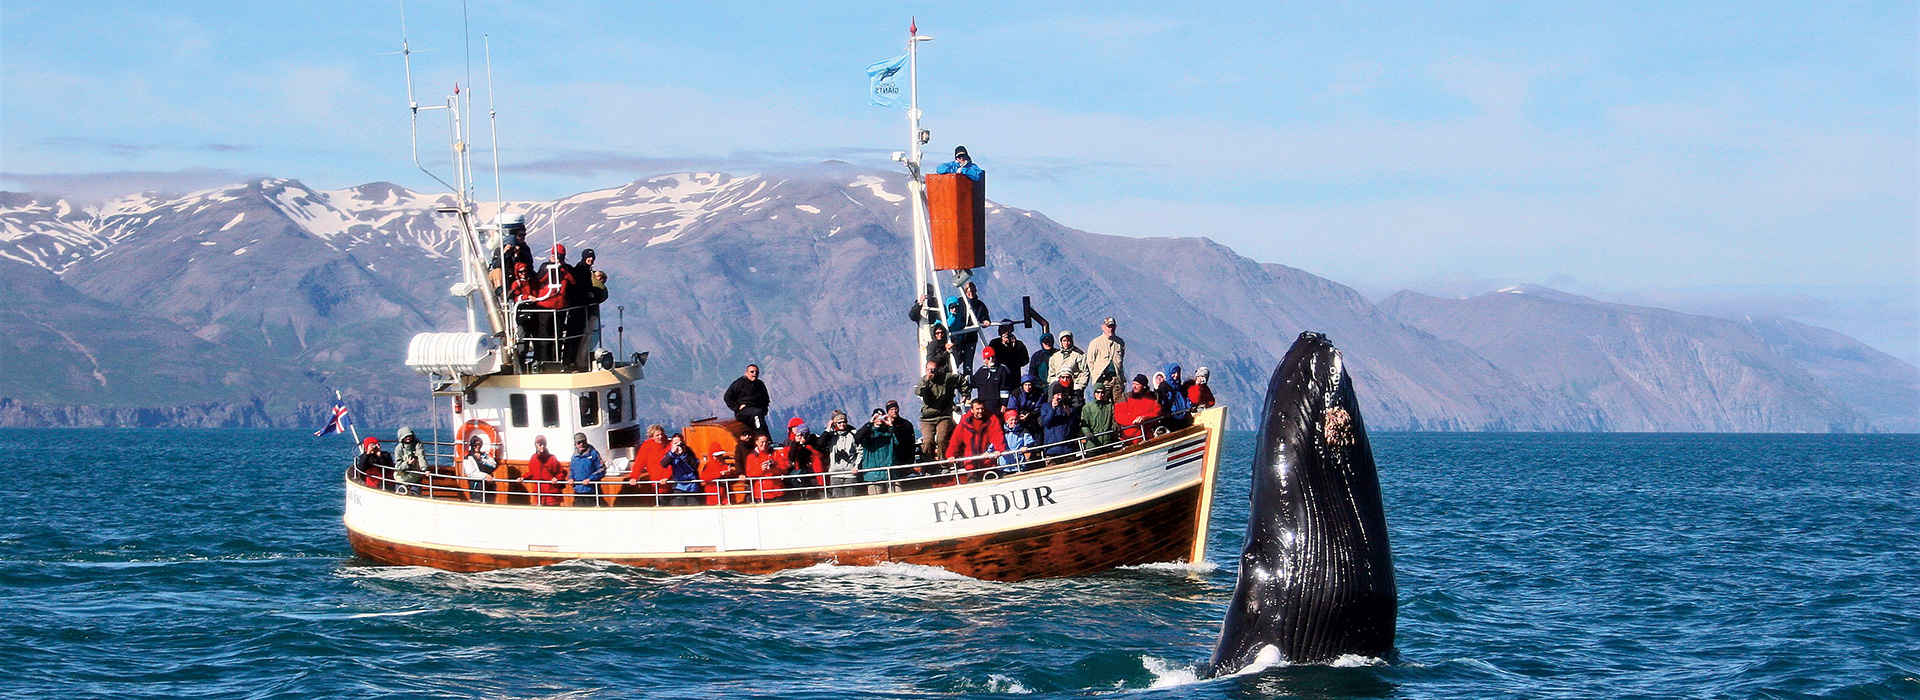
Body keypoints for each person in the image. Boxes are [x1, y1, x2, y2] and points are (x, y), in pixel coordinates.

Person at [915, 359, 967, 470]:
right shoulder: (924, 381)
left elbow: (961, 379)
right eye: (929, 369)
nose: (931, 372)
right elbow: (919, 391)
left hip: (944, 415)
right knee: (928, 441)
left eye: (933, 369)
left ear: (938, 369)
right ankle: (929, 466)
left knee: (942, 438)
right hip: (928, 417)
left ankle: (944, 464)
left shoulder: (947, 378)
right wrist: (927, 381)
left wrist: (965, 393)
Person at [944, 398, 1007, 484]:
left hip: (987, 461)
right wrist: (951, 454)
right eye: (977, 409)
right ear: (972, 410)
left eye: (982, 408)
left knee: (993, 484)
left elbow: (997, 435)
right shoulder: (965, 421)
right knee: (972, 483)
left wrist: (999, 449)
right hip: (970, 462)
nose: (980, 411)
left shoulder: (992, 419)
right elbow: (956, 439)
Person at [854, 408, 900, 495]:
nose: (880, 419)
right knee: (876, 502)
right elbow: (857, 438)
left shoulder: (889, 433)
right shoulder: (868, 433)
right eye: (877, 417)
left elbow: (899, 442)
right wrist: (870, 423)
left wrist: (891, 425)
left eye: (882, 417)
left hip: (890, 473)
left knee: (898, 498)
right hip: (873, 474)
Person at [1113, 375, 1165, 444]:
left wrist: (1144, 418)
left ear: (1144, 386)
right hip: (1129, 438)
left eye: (1137, 384)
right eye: (1133, 384)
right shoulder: (1125, 397)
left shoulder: (1153, 397)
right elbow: (1119, 415)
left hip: (1147, 437)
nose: (1134, 386)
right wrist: (1135, 420)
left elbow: (1157, 412)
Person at [782, 417, 825, 500]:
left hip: (811, 471)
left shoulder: (812, 439)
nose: (797, 429)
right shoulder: (788, 442)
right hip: (795, 472)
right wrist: (796, 443)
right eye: (794, 427)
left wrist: (807, 444)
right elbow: (791, 457)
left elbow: (819, 451)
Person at [822, 410, 861, 498]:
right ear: (835, 423)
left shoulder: (853, 434)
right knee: (838, 501)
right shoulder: (831, 436)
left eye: (844, 422)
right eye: (839, 422)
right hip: (835, 474)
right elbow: (820, 443)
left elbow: (860, 451)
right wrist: (828, 428)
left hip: (850, 474)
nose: (842, 424)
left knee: (851, 499)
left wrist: (856, 466)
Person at [629, 425, 671, 505]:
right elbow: (639, 462)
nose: (660, 437)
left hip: (668, 481)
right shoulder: (647, 446)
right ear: (652, 437)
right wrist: (634, 477)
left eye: (661, 434)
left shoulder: (669, 445)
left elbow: (672, 463)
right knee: (657, 502)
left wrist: (667, 476)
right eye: (657, 435)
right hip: (655, 482)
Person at [724, 364, 771, 435]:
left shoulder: (760, 384)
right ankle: (762, 435)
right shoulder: (739, 383)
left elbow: (766, 399)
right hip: (743, 412)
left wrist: (764, 410)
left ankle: (768, 441)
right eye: (752, 372)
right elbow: (727, 396)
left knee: (759, 416)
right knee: (757, 414)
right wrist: (737, 407)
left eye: (756, 372)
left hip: (757, 411)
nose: (754, 374)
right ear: (746, 373)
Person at [1086, 317, 1127, 397]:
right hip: (1103, 379)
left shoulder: (1120, 343)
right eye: (1108, 326)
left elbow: (1121, 359)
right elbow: (1090, 361)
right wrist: (1096, 376)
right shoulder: (1096, 343)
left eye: (1112, 326)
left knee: (1119, 405)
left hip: (1117, 379)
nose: (1110, 329)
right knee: (1103, 403)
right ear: (1103, 327)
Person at [970, 346, 1016, 416]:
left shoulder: (1002, 370)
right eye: (988, 358)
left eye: (993, 357)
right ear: (984, 359)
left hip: (996, 404)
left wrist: (1004, 404)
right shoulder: (981, 371)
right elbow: (973, 383)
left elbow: (1005, 388)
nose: (991, 360)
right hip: (983, 404)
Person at [743, 434, 787, 503]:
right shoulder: (751, 457)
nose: (764, 444)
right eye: (762, 442)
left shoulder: (775, 454)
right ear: (756, 442)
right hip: (761, 493)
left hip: (776, 490)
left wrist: (773, 467)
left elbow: (784, 468)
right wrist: (761, 469)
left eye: (766, 442)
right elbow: (749, 473)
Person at [661, 433, 703, 506]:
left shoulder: (689, 452)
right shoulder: (671, 454)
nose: (678, 446)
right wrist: (672, 454)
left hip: (692, 486)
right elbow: (663, 464)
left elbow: (694, 466)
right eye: (675, 443)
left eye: (680, 443)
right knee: (678, 506)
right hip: (679, 485)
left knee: (693, 507)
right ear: (672, 444)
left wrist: (684, 455)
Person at [524, 435, 566, 506]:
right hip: (540, 494)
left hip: (552, 494)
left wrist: (557, 478)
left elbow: (562, 472)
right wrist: (523, 477)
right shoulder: (534, 458)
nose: (542, 446)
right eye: (540, 444)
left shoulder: (552, 458)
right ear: (536, 445)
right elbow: (532, 472)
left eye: (544, 444)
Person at [884, 400, 918, 486]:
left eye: (895, 409)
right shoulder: (883, 426)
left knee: (904, 484)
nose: (894, 411)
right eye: (891, 409)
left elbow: (910, 443)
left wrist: (910, 460)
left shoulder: (906, 424)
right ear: (887, 411)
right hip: (889, 460)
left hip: (904, 458)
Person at [567, 432, 607, 506]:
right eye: (579, 442)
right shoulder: (574, 456)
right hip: (578, 490)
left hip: (591, 490)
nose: (581, 444)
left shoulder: (594, 453)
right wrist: (570, 478)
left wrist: (590, 479)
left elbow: (602, 469)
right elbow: (572, 470)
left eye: (583, 442)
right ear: (575, 444)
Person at [1038, 389, 1079, 459]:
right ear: (1053, 396)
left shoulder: (1068, 407)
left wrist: (1069, 414)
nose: (1060, 397)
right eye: (1057, 395)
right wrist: (1053, 409)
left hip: (1068, 448)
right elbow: (1045, 423)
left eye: (1061, 395)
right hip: (1052, 449)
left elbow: (1074, 426)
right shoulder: (1046, 407)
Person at [459, 435, 498, 503]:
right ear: (472, 445)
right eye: (475, 444)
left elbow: (493, 464)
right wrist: (485, 475)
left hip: (488, 486)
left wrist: (482, 460)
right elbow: (471, 474)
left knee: (490, 502)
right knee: (477, 501)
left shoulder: (484, 455)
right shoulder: (468, 458)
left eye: (479, 444)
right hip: (477, 486)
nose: (477, 446)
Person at [1080, 384, 1119, 449]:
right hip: (1092, 444)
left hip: (1107, 442)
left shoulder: (1109, 406)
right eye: (1098, 392)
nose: (1100, 394)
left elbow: (1113, 419)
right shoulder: (1087, 408)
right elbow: (1084, 424)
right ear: (1094, 393)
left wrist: (1115, 424)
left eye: (1102, 392)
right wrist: (1087, 432)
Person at [391, 427, 427, 496]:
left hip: (415, 477)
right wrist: (407, 464)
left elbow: (421, 456)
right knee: (399, 496)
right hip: (401, 478)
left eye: (410, 436)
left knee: (416, 495)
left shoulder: (417, 445)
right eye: (406, 436)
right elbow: (398, 465)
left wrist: (425, 469)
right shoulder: (399, 449)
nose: (408, 438)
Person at [1052, 330, 1090, 396]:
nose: (1067, 343)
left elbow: (1084, 372)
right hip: (1058, 387)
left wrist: (1080, 385)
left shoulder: (1079, 355)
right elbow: (1051, 373)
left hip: (1074, 387)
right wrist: (1054, 383)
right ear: (1060, 341)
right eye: (1064, 341)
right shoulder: (1055, 356)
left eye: (1068, 340)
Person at [1158, 364, 1195, 430]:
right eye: (1174, 373)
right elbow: (1163, 401)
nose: (1176, 375)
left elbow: (1185, 398)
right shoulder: (1164, 387)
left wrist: (1189, 407)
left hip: (1184, 417)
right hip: (1171, 419)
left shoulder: (1180, 387)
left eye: (1178, 372)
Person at [998, 408, 1035, 474]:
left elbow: (1030, 441)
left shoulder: (1023, 431)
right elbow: (994, 444)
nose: (1014, 422)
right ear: (1006, 420)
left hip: (1019, 466)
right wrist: (990, 452)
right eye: (1011, 420)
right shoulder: (1001, 432)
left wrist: (1026, 446)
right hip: (1005, 467)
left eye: (1016, 419)